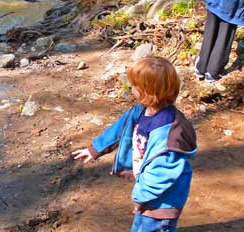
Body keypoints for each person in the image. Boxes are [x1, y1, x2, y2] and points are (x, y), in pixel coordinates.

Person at [72, 57, 197, 232]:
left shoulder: (169, 135)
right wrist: (95, 149)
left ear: (148, 91)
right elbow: (119, 130)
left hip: (163, 201)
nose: (131, 88)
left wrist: (140, 197)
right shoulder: (141, 111)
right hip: (148, 195)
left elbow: (161, 174)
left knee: (154, 227)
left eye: (134, 85)